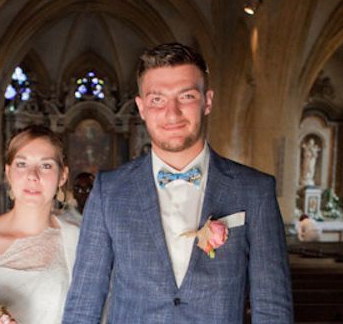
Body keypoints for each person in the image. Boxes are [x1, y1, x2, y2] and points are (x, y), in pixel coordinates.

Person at [63, 43, 293, 323]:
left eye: (186, 96)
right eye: (157, 99)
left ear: (207, 101)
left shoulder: (255, 190)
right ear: (141, 107)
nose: (172, 113)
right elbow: (84, 302)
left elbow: (272, 308)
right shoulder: (109, 191)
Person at [0, 125, 79, 324]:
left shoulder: (79, 239)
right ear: (8, 172)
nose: (33, 176)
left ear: (62, 176)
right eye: (22, 164)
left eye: (46, 166)